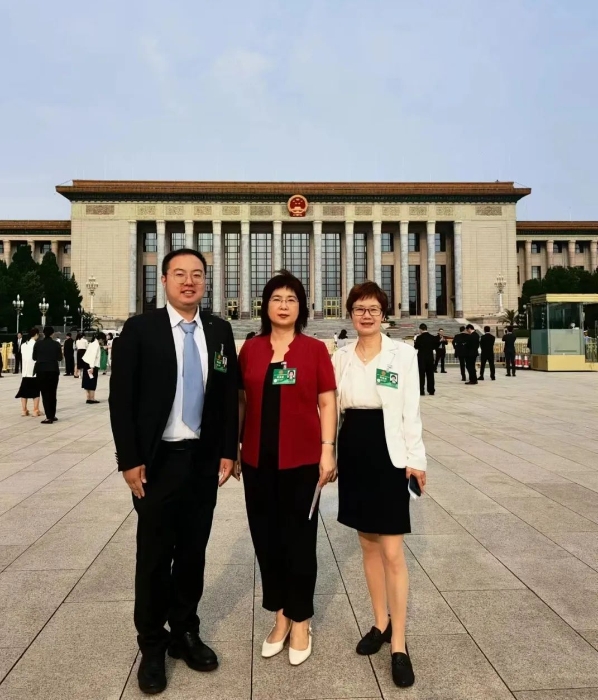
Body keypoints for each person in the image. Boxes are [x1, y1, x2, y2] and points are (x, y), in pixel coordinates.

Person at [109, 248, 238, 695]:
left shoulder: (219, 331)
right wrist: (129, 460)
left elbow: (227, 395)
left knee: (193, 553)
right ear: (163, 280)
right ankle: (152, 644)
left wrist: (228, 450)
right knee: (153, 556)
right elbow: (121, 400)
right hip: (157, 461)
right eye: (179, 274)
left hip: (202, 460)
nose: (189, 281)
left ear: (205, 281)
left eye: (197, 274)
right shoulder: (140, 329)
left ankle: (184, 630)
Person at [238, 270, 337, 667]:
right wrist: (235, 446)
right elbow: (242, 401)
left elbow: (327, 402)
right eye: (276, 299)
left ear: (301, 307)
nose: (283, 306)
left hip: (302, 461)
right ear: (265, 306)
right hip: (258, 461)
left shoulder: (314, 350)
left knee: (299, 541)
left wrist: (328, 451)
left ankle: (301, 619)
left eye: (291, 299)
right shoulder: (251, 349)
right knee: (266, 540)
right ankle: (280, 614)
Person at [331, 281, 426, 689]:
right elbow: (331, 409)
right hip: (354, 449)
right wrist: (329, 455)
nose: (366, 315)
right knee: (367, 544)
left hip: (389, 455)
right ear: (350, 314)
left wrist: (416, 460)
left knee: (392, 551)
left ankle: (399, 643)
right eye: (359, 309)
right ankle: (380, 623)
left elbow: (411, 410)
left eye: (373, 309)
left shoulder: (403, 354)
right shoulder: (340, 357)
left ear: (384, 314)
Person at [32, 326, 63, 424]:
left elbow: (34, 357)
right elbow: (60, 358)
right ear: (52, 334)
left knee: (45, 393)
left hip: (41, 370)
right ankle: (52, 415)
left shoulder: (38, 343)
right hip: (53, 370)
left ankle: (48, 417)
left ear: (43, 333)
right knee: (53, 392)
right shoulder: (56, 344)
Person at [15, 328, 43, 417]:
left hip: (25, 372)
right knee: (36, 391)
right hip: (34, 371)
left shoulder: (23, 345)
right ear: (36, 334)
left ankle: (24, 410)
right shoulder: (37, 344)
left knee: (24, 391)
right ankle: (36, 410)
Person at [413, 323, 437, 396]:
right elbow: (434, 346)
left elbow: (416, 347)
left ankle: (421, 391)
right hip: (430, 357)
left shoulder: (419, 337)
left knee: (421, 375)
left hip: (421, 358)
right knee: (430, 375)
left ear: (420, 329)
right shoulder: (432, 337)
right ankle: (431, 390)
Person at [82, 333, 103, 404]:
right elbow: (93, 356)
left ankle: (88, 398)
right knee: (92, 382)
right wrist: (92, 367)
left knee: (87, 382)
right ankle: (92, 398)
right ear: (101, 339)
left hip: (87, 364)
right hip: (92, 365)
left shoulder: (92, 343)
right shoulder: (96, 345)